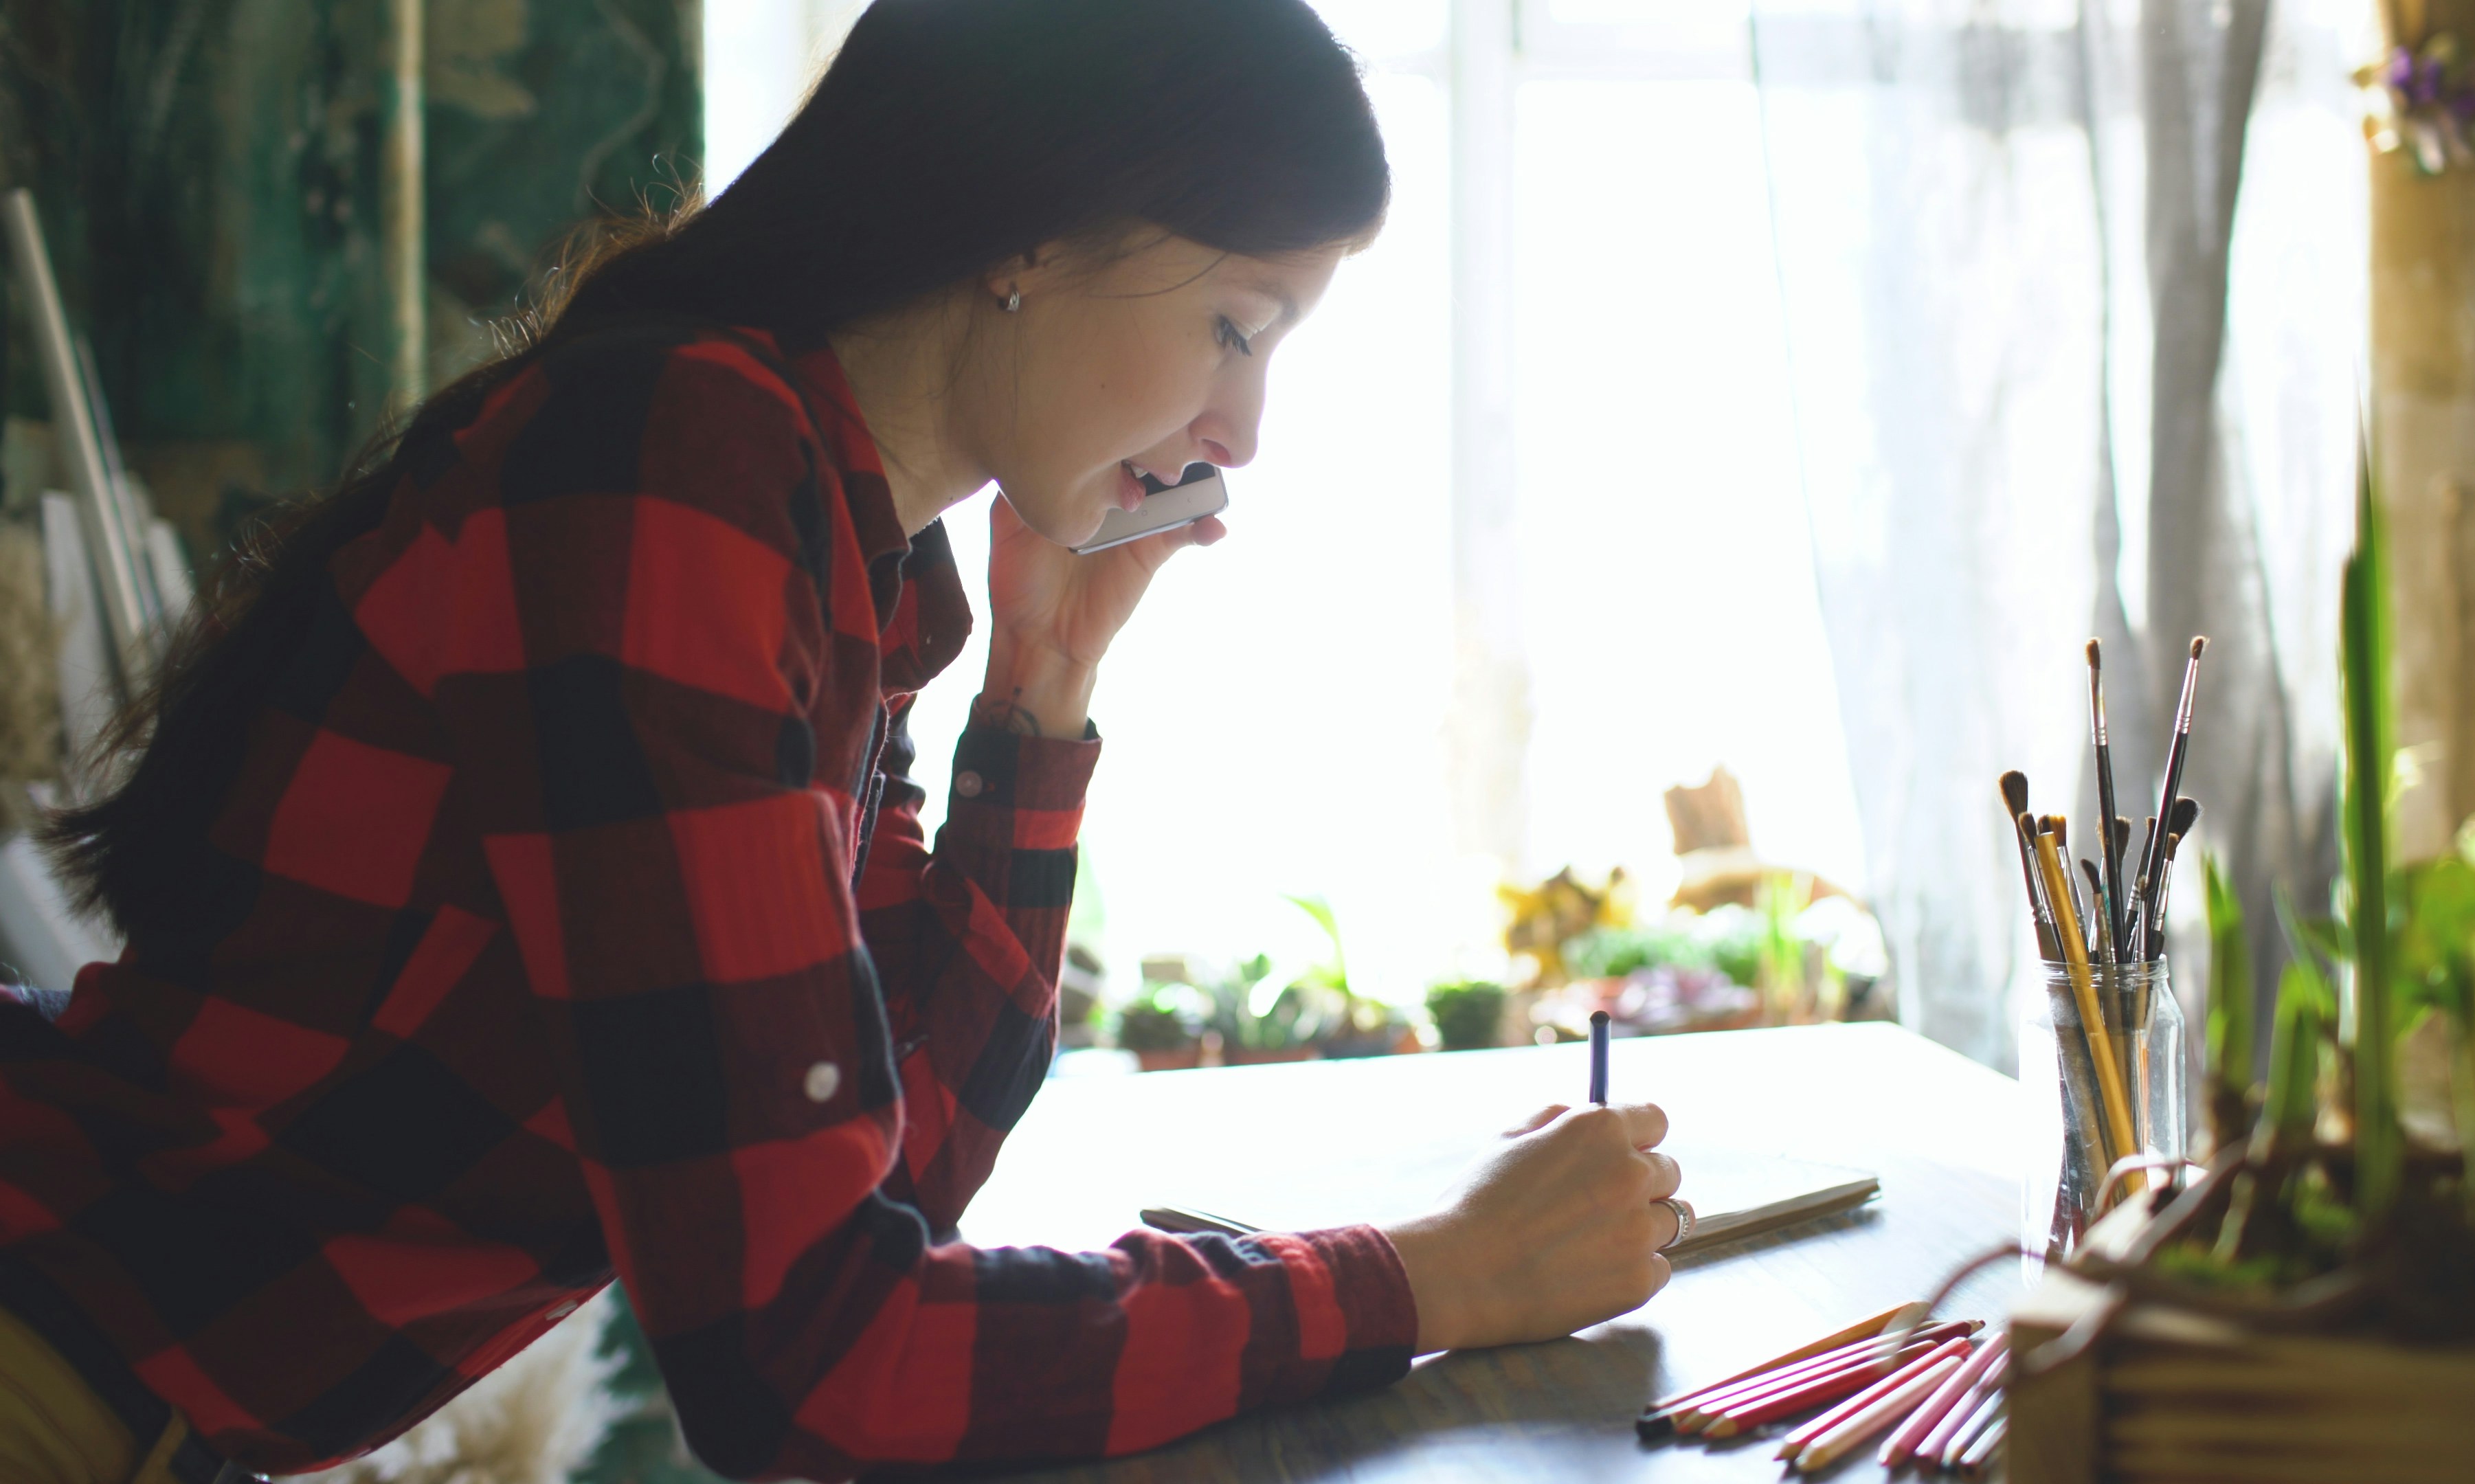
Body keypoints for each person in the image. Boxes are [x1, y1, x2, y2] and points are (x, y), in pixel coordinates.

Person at [0, 1, 1686, 1478]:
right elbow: (814, 1361)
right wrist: (1424, 1280)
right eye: (1237, 328)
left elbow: (895, 1177)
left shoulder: (822, 533)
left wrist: (1039, 688)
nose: (1242, 430)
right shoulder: (678, 468)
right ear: (1029, 230)